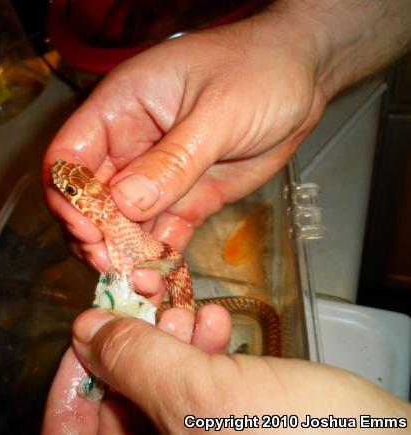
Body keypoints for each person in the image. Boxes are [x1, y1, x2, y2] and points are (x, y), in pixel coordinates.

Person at [42, 0, 411, 433]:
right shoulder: (133, 239)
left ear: (91, 200)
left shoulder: (130, 226)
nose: (67, 185)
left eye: (74, 187)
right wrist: (305, 47)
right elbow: (166, 264)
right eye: (73, 185)